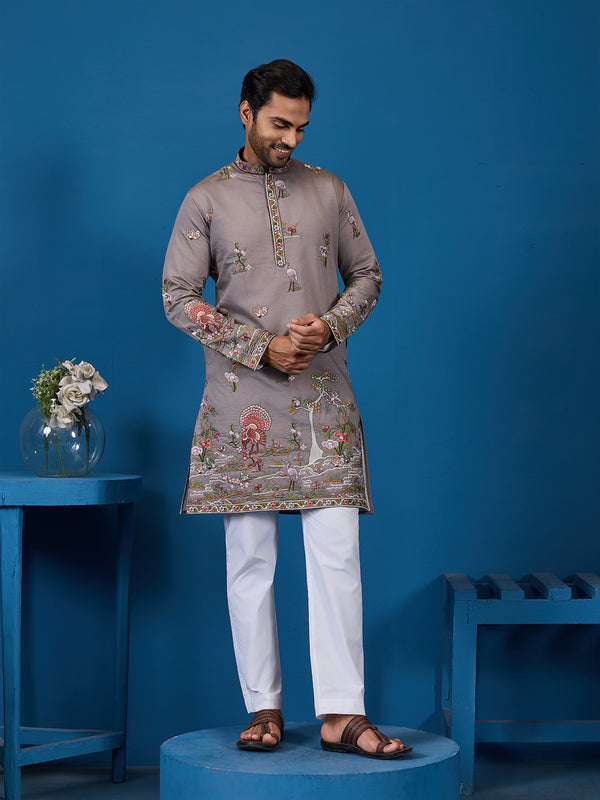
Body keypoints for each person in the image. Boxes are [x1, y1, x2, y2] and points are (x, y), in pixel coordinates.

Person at [162, 59, 411, 759]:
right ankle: (263, 709)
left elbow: (367, 273)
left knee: (336, 556)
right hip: (242, 401)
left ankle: (340, 713)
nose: (290, 140)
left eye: (300, 127)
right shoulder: (205, 200)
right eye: (279, 124)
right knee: (250, 560)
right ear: (245, 112)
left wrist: (327, 327)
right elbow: (177, 297)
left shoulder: (329, 190)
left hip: (322, 399)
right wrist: (258, 346)